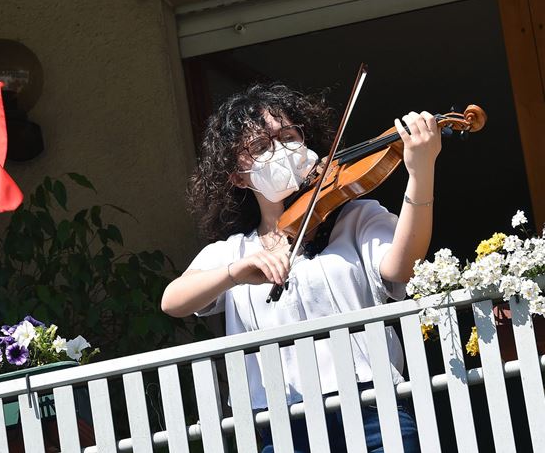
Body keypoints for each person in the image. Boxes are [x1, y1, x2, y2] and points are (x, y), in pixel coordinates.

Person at [161, 83, 439, 452]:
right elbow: (173, 301)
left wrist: (421, 173)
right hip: (283, 424)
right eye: (261, 147)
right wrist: (235, 272)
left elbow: (400, 269)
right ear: (238, 177)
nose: (280, 151)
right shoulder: (235, 251)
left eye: (288, 136)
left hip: (373, 409)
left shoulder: (355, 218)